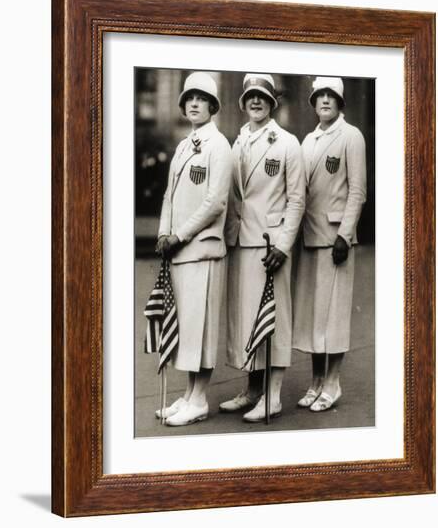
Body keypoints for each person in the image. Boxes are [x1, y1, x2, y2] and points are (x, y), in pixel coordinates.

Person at [221, 73, 305, 422]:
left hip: (271, 245)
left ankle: (273, 396)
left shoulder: (287, 143)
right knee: (247, 319)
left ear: (272, 103)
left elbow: (297, 199)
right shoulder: (237, 142)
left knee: (274, 320)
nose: (256, 101)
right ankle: (253, 390)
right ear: (243, 103)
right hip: (241, 240)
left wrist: (284, 245)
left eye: (263, 97)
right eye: (250, 96)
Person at [155, 72, 233, 426]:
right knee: (186, 325)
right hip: (178, 250)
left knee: (200, 326)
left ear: (213, 106)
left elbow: (215, 202)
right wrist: (162, 233)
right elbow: (170, 196)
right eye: (189, 98)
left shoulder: (219, 145)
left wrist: (180, 235)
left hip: (201, 248)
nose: (194, 104)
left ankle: (200, 398)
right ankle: (188, 395)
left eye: (201, 99)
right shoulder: (184, 146)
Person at [293, 76, 367, 412]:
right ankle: (316, 381)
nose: (324, 100)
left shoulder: (351, 136)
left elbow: (357, 190)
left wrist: (344, 234)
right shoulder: (308, 140)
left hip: (335, 238)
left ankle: (333, 383)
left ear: (340, 102)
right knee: (312, 315)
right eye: (319, 95)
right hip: (308, 237)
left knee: (333, 315)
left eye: (330, 95)